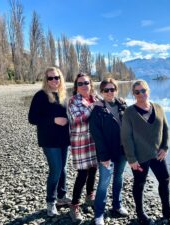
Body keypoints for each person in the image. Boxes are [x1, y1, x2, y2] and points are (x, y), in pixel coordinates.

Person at [121, 80, 170, 225]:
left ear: (148, 91)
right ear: (133, 94)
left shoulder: (159, 108)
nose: (141, 94)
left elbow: (166, 129)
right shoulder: (129, 112)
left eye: (143, 90)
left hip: (157, 154)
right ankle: (140, 213)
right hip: (139, 156)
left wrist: (165, 147)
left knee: (165, 179)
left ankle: (166, 210)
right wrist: (131, 159)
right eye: (137, 92)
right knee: (140, 183)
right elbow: (126, 137)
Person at [28, 67, 71, 217]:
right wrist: (53, 120)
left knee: (63, 169)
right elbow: (32, 119)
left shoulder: (63, 95)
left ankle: (61, 197)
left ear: (61, 78)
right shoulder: (40, 96)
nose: (54, 80)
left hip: (64, 139)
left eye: (57, 77)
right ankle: (50, 202)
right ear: (46, 80)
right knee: (56, 170)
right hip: (49, 140)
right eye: (50, 78)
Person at [90, 78, 129, 225]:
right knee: (104, 183)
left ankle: (117, 206)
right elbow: (96, 135)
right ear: (101, 92)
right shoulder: (97, 110)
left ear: (116, 91)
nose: (109, 92)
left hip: (122, 151)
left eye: (112, 89)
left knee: (118, 178)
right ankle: (99, 214)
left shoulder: (122, 105)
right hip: (107, 153)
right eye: (106, 90)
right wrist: (104, 156)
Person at [68, 73, 100, 222]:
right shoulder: (73, 101)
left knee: (93, 169)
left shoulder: (96, 97)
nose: (83, 86)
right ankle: (74, 205)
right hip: (81, 142)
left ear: (91, 84)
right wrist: (93, 107)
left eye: (86, 82)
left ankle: (90, 196)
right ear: (76, 87)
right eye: (80, 83)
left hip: (95, 141)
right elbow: (77, 119)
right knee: (82, 174)